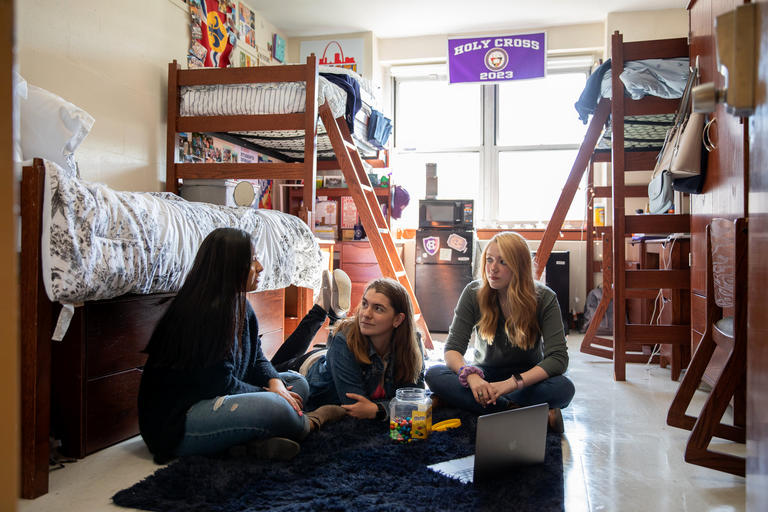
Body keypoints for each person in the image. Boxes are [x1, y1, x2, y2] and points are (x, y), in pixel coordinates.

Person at [138, 227, 347, 464]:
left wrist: (276, 384)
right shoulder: (205, 314)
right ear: (231, 267)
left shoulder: (239, 305)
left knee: (296, 382)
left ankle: (248, 446)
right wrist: (271, 396)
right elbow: (219, 383)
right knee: (278, 408)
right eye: (253, 260)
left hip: (219, 398)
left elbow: (257, 358)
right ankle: (313, 421)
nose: (260, 267)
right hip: (180, 421)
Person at [425, 231, 575, 433]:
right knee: (434, 374)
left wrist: (510, 385)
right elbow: (452, 349)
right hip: (483, 375)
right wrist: (471, 377)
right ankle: (515, 409)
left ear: (519, 267)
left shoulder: (544, 298)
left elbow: (558, 358)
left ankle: (469, 403)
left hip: (525, 379)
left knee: (564, 388)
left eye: (503, 262)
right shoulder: (473, 293)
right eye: (489, 260)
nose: (492, 268)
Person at [298, 278, 426, 422]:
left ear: (398, 320)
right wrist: (388, 407)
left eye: (378, 308)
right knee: (275, 368)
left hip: (335, 353)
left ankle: (337, 315)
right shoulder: (343, 341)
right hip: (306, 367)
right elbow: (355, 406)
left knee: (340, 336)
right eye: (364, 304)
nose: (366, 313)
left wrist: (378, 409)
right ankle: (323, 309)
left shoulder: (412, 341)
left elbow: (417, 398)